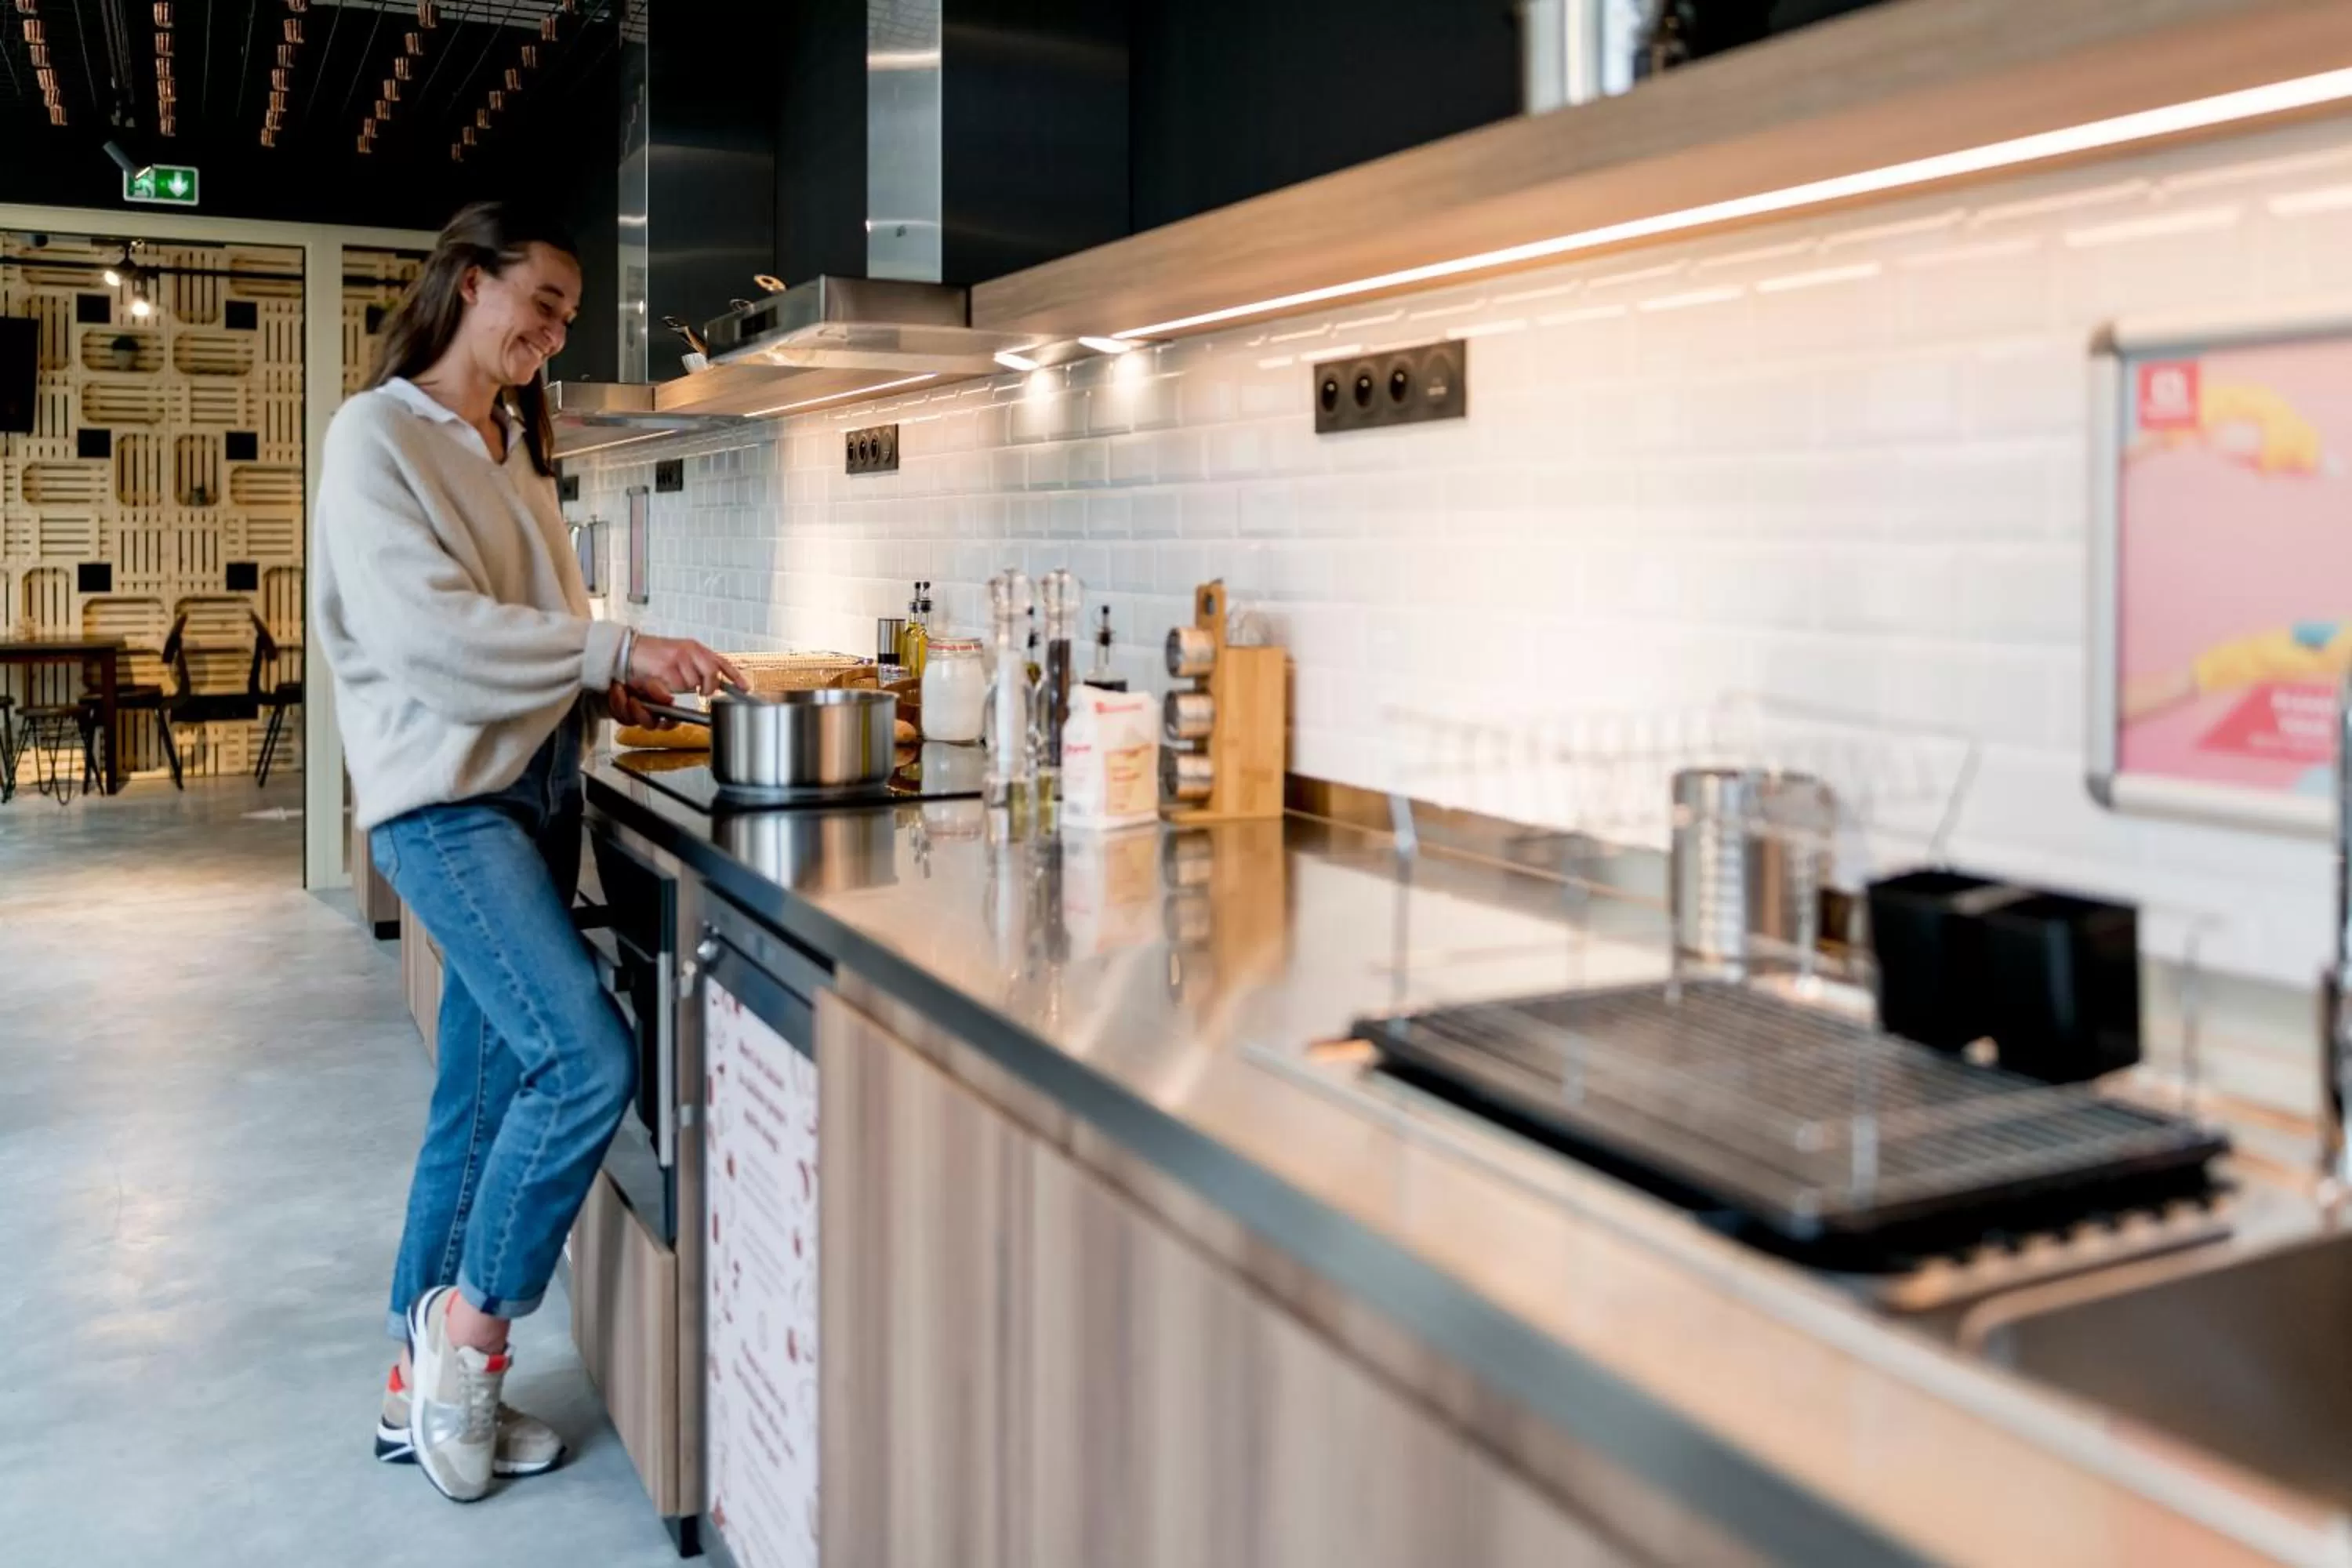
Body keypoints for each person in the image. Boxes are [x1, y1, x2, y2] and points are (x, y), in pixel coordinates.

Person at [313, 201, 742, 1503]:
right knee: (583, 1056)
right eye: (541, 300)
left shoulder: (512, 443)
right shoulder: (379, 433)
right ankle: (475, 1341)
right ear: (467, 278)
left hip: (535, 789)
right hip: (447, 805)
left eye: (566, 314)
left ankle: (414, 1386)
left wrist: (599, 688)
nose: (554, 330)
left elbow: (526, 628)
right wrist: (607, 651)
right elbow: (433, 638)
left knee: (484, 1095)